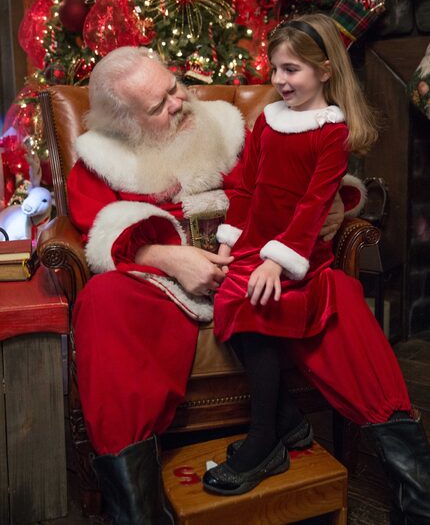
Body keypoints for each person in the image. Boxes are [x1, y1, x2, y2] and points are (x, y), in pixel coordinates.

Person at [67, 45, 370, 524]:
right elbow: (92, 228)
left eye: (174, 87)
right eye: (158, 106)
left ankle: (289, 427)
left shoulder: (227, 127)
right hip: (159, 278)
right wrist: (166, 256)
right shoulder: (100, 160)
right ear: (124, 123)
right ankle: (137, 510)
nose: (179, 103)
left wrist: (331, 203)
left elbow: (295, 172)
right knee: (101, 302)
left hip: (251, 259)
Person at [203, 14, 430, 525]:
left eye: (294, 70)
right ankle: (288, 420)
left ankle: (266, 438)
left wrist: (277, 262)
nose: (282, 80)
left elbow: (312, 207)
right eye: (276, 68)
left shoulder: (330, 132)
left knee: (257, 304)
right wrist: (230, 241)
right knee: (228, 298)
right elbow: (244, 184)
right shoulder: (267, 120)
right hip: (252, 248)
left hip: (295, 255)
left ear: (325, 70)